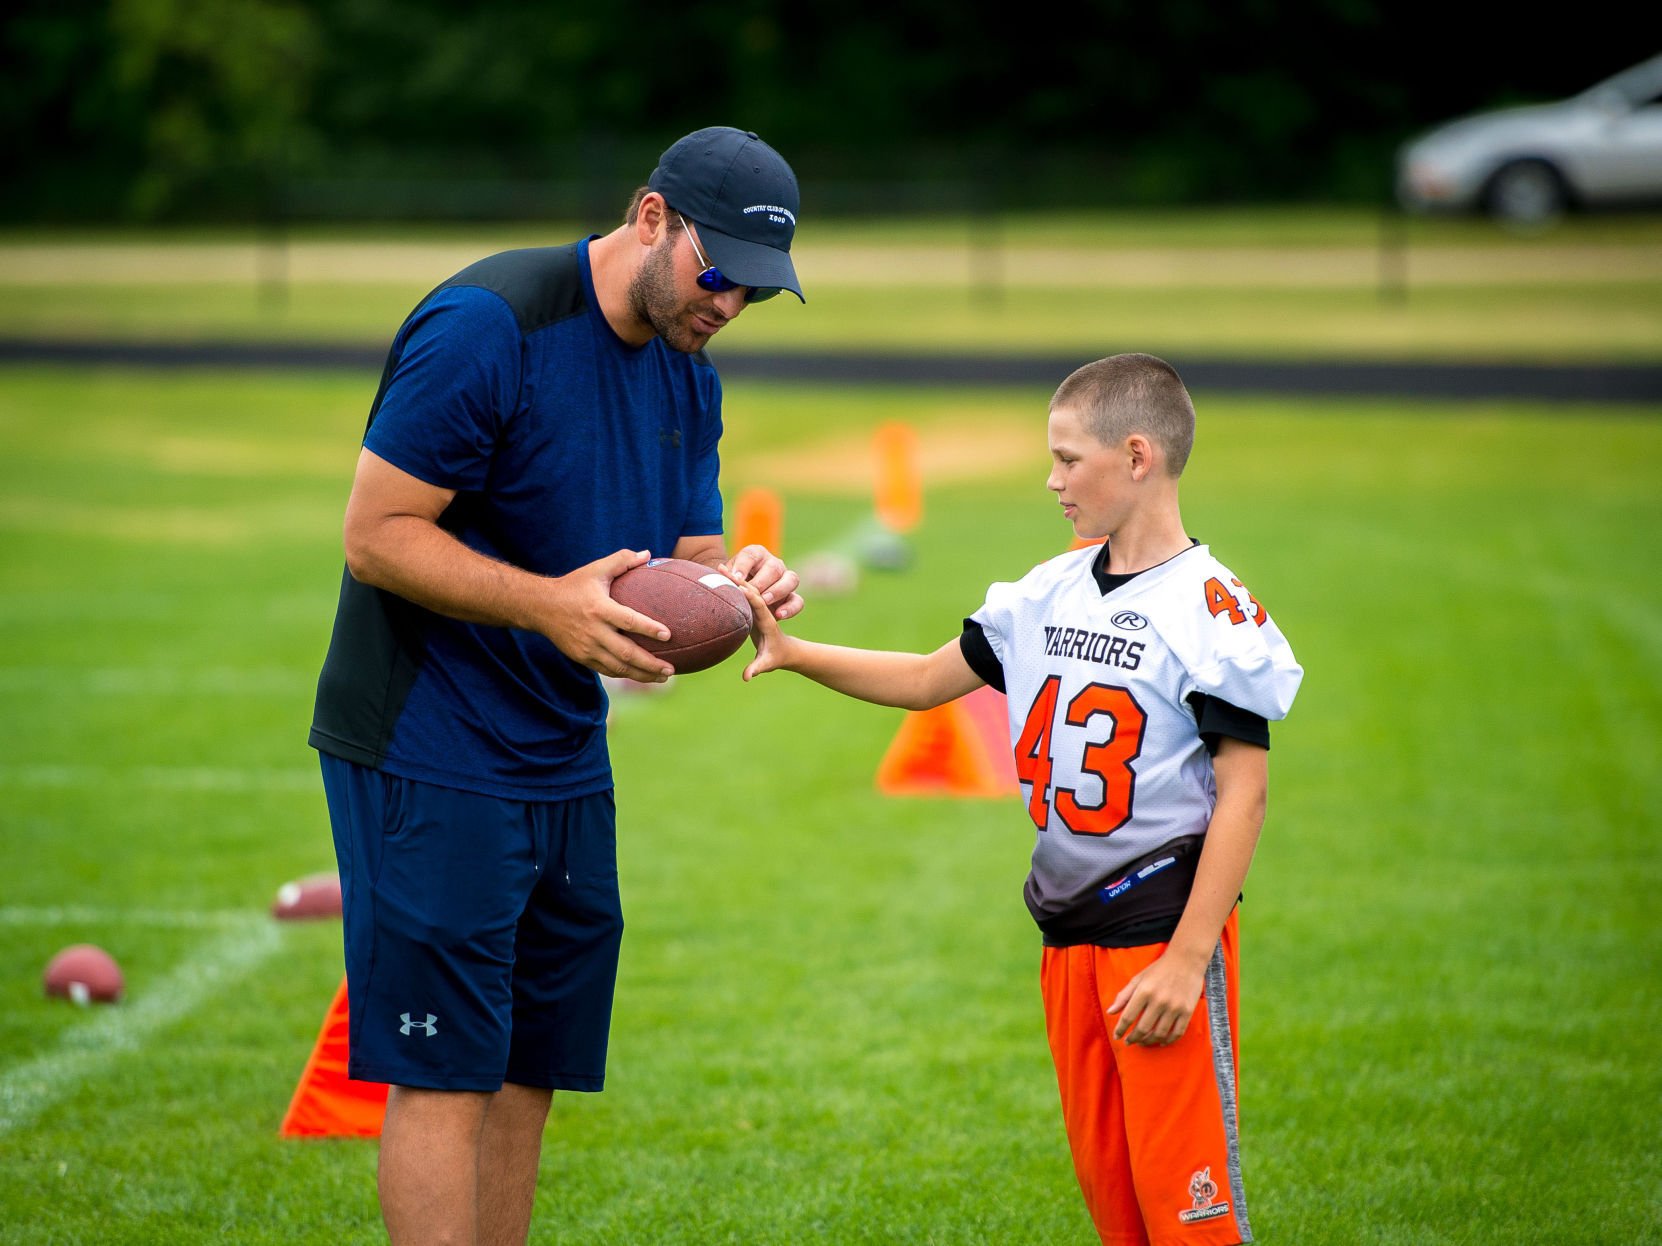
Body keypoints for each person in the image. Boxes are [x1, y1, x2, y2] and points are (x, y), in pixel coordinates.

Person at [307, 126, 807, 1246]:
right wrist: (548, 605)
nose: (727, 305)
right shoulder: (488, 325)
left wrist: (742, 583)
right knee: (447, 1066)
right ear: (649, 218)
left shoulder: (688, 371)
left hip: (562, 743)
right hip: (427, 736)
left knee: (532, 1061)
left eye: (756, 293)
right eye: (715, 272)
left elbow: (690, 553)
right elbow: (375, 536)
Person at [734, 353, 1303, 1245]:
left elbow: (1246, 796)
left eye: (1069, 459)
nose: (1052, 480)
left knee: (1190, 1211)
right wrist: (800, 654)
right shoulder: (1047, 590)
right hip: (1066, 938)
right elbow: (928, 679)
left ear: (1138, 456)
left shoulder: (1209, 610)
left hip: (1158, 932)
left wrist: (1188, 960)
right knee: (1115, 1201)